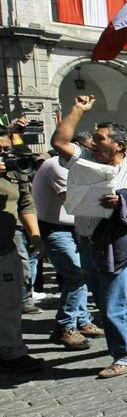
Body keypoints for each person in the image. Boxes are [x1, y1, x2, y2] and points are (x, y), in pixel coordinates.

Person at [51, 95, 127, 379]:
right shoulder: (86, 160)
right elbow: (60, 143)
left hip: (118, 245)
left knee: (111, 303)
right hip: (86, 241)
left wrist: (122, 202)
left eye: (100, 139)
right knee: (103, 298)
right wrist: (78, 110)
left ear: (118, 145)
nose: (92, 143)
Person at [32, 131, 105, 350]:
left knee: (82, 274)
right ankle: (64, 327)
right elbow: (73, 201)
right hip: (56, 229)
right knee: (75, 276)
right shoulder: (57, 165)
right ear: (76, 147)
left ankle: (81, 321)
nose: (94, 153)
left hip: (75, 229)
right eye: (91, 148)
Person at [0, 124, 45, 373]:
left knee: (10, 299)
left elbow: (26, 204)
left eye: (7, 150)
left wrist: (35, 236)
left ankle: (11, 350)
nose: (5, 156)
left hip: (6, 245)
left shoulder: (15, 172)